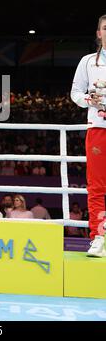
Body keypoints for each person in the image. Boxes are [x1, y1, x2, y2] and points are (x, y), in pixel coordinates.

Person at [71, 14, 106, 256]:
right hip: (97, 129)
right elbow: (75, 92)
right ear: (98, 33)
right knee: (96, 188)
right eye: (105, 28)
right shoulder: (87, 62)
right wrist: (87, 100)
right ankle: (98, 236)